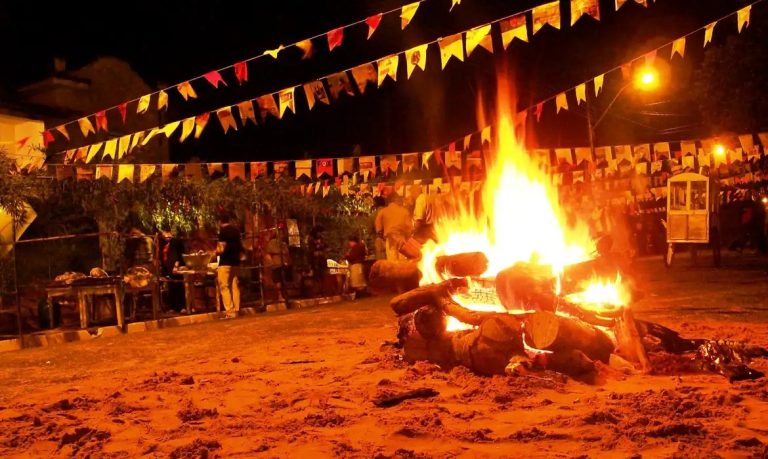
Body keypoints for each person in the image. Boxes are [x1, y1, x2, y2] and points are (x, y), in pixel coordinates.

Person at [216, 215, 242, 318]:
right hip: (235, 262)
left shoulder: (223, 232)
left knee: (224, 286)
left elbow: (221, 248)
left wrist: (214, 252)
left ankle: (230, 311)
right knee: (235, 285)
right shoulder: (236, 231)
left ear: (219, 221)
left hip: (225, 262)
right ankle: (237, 309)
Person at [374, 193, 412, 261]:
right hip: (402, 239)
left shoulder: (383, 211)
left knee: (392, 262)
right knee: (402, 263)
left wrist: (381, 237)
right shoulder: (404, 211)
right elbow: (410, 228)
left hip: (390, 239)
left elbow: (378, 228)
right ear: (396, 200)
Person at [158, 228, 185, 312]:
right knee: (171, 286)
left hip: (175, 267)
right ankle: (173, 307)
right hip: (168, 268)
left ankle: (182, 306)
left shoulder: (175, 242)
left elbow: (178, 254)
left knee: (179, 286)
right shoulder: (165, 243)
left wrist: (176, 266)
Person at [265, 230, 290, 302]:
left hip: (283, 264)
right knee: (277, 281)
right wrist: (271, 263)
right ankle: (279, 296)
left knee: (283, 280)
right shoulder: (272, 243)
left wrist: (287, 262)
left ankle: (284, 295)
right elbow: (268, 254)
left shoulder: (283, 244)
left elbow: (287, 254)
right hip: (276, 264)